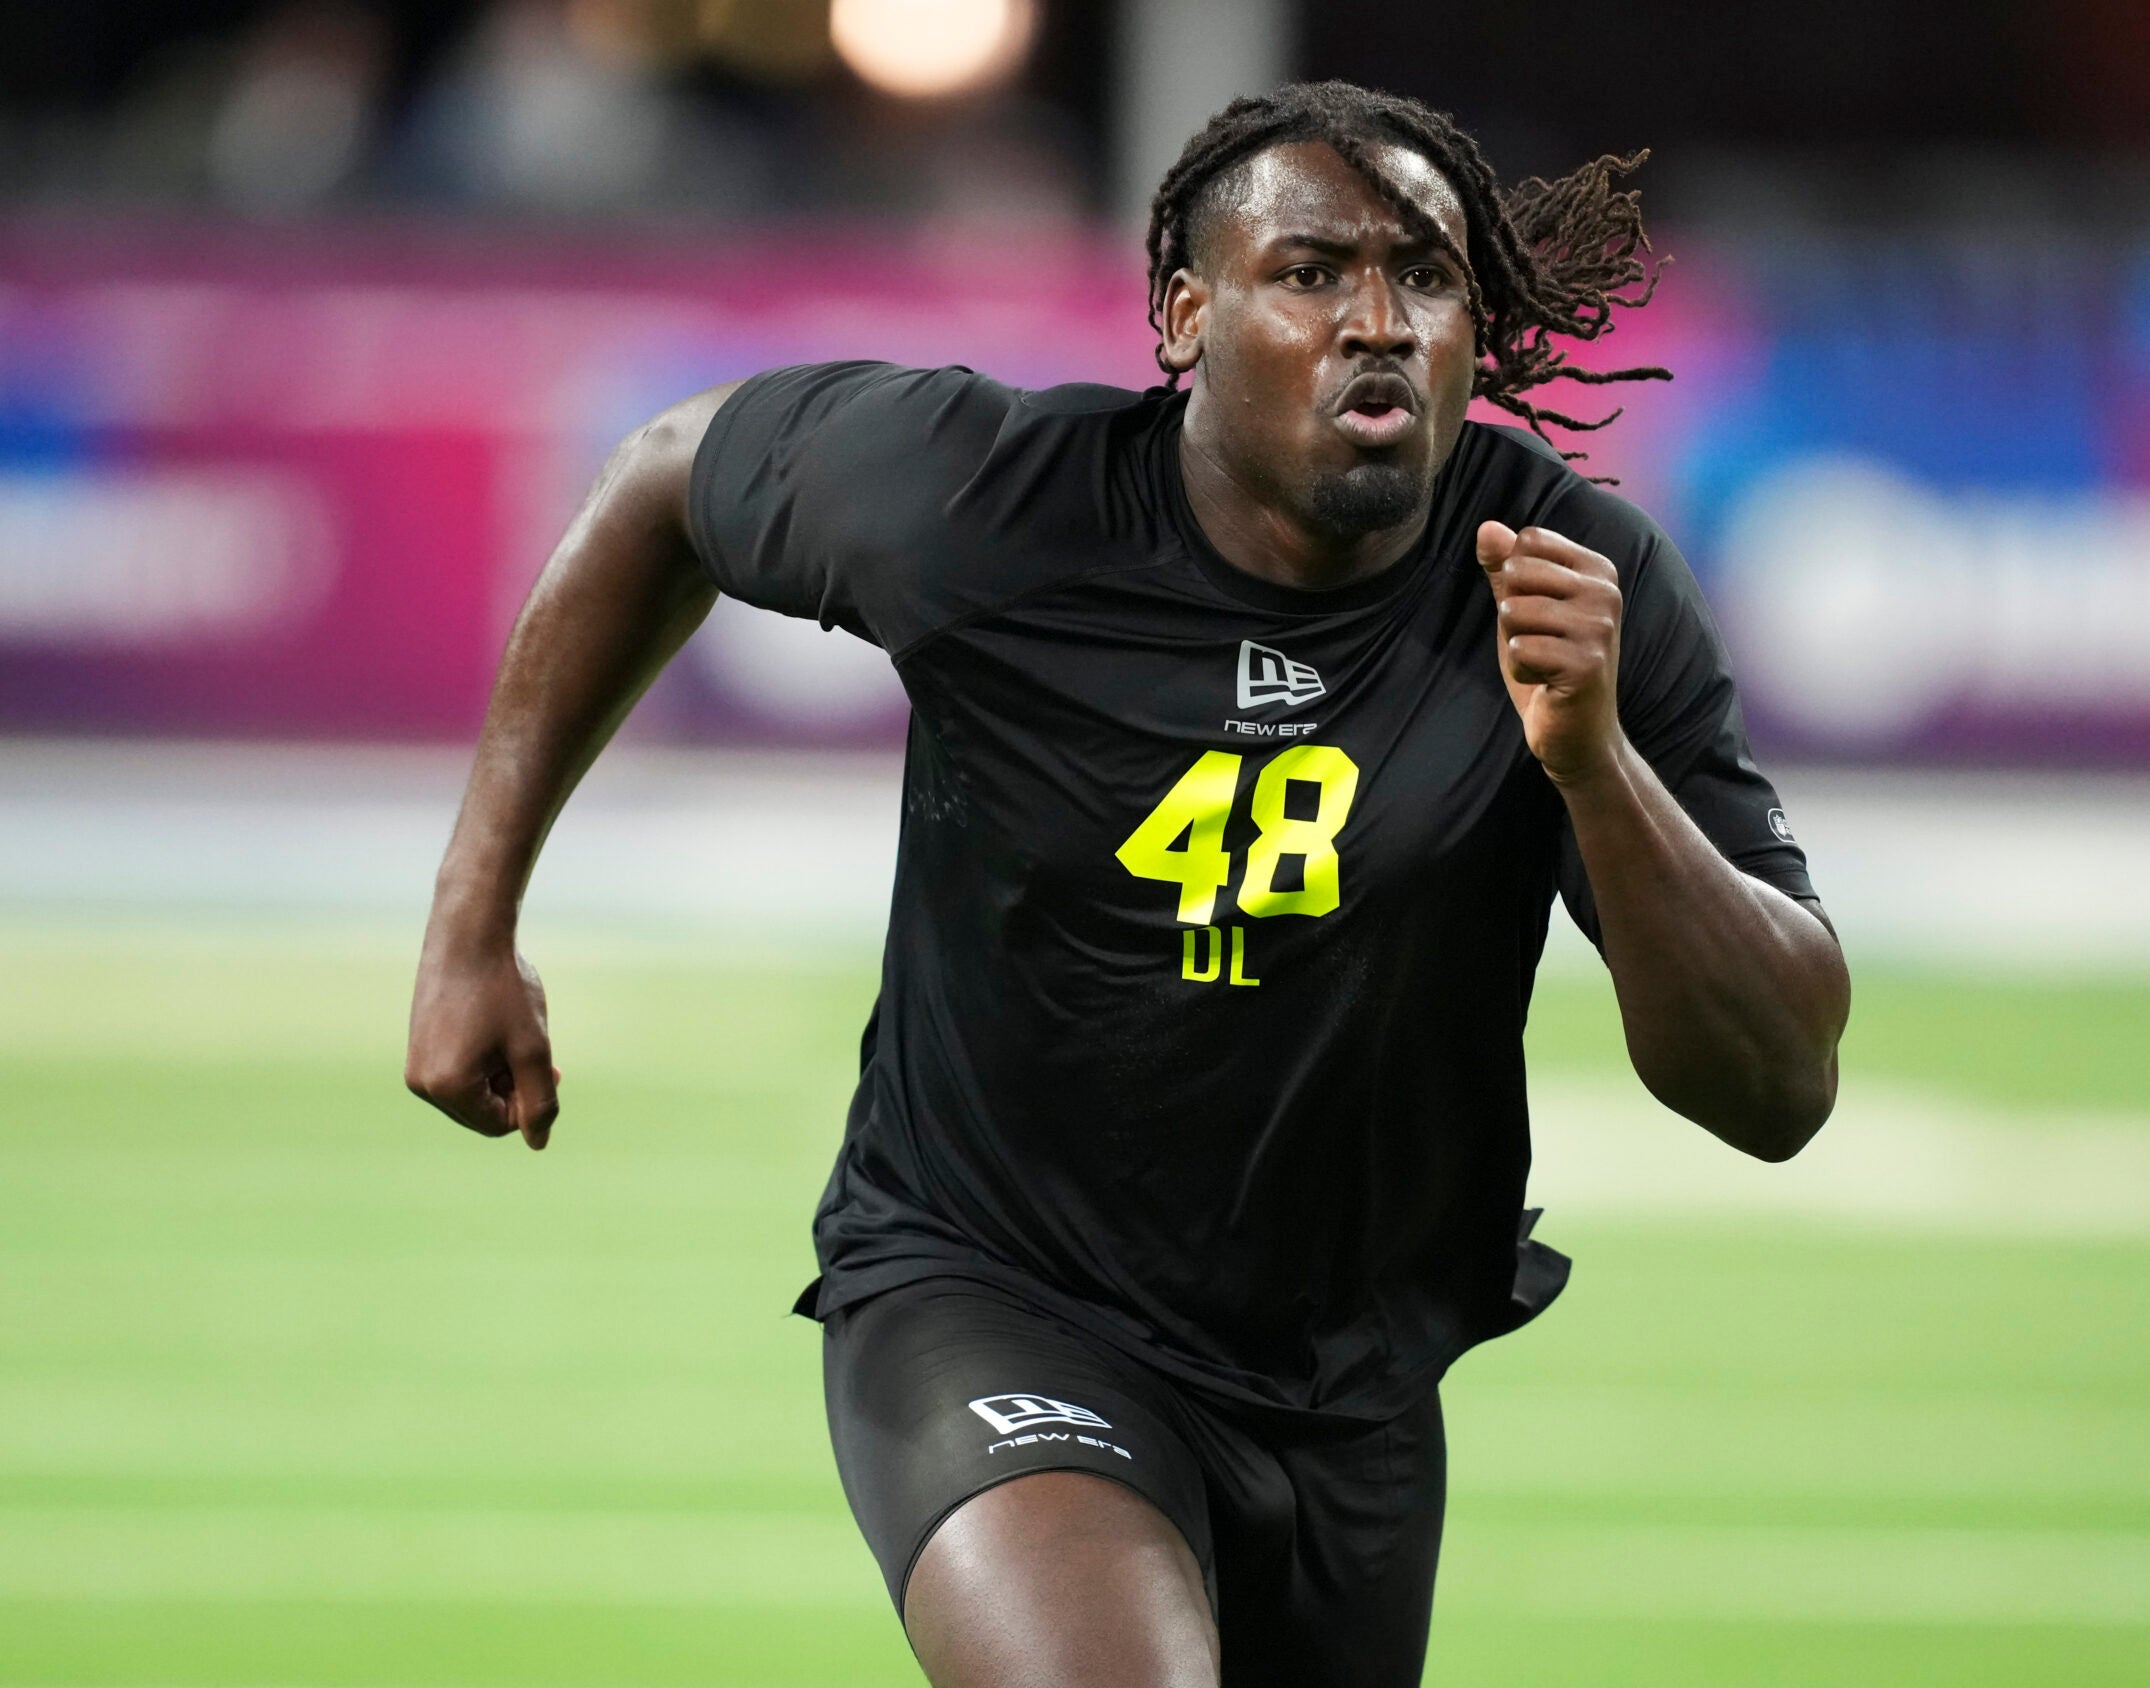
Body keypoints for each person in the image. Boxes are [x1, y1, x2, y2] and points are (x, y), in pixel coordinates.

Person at [406, 80, 1849, 1688]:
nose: (1377, 320)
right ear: (1187, 313)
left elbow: (1777, 1084)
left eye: (1425, 276)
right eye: (1309, 273)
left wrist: (1595, 765)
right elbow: (669, 480)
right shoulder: (989, 500)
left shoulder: (1573, 580)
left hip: (1346, 1378)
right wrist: (474, 927)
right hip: (997, 1292)